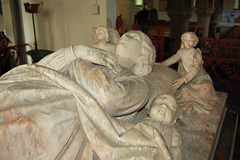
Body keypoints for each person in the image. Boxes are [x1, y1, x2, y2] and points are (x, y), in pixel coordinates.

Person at [0, 30, 180, 159]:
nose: (124, 36)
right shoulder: (94, 56)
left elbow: (110, 98)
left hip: (67, 106)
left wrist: (78, 62)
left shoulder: (139, 84)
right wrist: (77, 51)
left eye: (132, 36)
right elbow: (42, 68)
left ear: (143, 53)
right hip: (44, 86)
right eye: (125, 34)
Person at [160, 32, 224, 114]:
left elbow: (196, 69)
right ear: (183, 41)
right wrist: (161, 64)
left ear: (194, 43)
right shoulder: (181, 52)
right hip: (188, 80)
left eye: (191, 41)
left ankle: (199, 105)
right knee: (184, 91)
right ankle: (190, 106)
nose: (188, 42)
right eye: (186, 40)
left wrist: (184, 79)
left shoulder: (196, 54)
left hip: (199, 78)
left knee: (206, 88)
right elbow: (172, 59)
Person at [144, 94, 182, 160]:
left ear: (174, 120)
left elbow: (176, 148)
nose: (164, 106)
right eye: (159, 102)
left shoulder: (172, 130)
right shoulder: (142, 121)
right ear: (149, 110)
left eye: (171, 107)